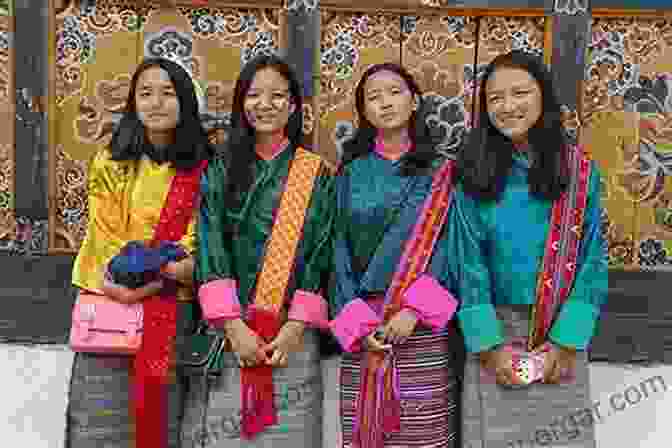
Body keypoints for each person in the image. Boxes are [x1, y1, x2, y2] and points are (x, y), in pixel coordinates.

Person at [448, 50, 608, 448]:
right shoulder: (470, 173)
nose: (508, 106)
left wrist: (566, 341)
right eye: (495, 98)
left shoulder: (579, 172)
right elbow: (467, 260)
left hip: (560, 336)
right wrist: (488, 344)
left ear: (544, 97)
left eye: (520, 92)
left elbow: (592, 259)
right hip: (494, 338)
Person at [181, 53, 334, 447]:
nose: (265, 105)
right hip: (233, 336)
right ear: (241, 103)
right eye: (254, 95)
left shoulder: (315, 172)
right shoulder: (221, 166)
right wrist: (234, 327)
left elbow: (321, 251)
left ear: (295, 105)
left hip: (290, 340)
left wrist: (295, 328)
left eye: (278, 96)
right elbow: (210, 242)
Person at [67, 57, 213, 448]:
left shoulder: (205, 167)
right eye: (145, 93)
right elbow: (105, 234)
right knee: (100, 420)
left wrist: (159, 272)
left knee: (164, 416)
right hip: (113, 304)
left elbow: (199, 238)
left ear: (185, 101)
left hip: (171, 306)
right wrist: (147, 271)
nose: (156, 102)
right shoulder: (111, 162)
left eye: (168, 93)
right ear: (133, 102)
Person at [329, 63, 462, 448]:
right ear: (364, 111)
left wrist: (414, 309)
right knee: (365, 433)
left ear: (414, 100)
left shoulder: (442, 172)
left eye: (394, 92)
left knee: (422, 434)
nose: (385, 102)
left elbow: (450, 247)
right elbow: (337, 248)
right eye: (373, 97)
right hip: (365, 329)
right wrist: (356, 320)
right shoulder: (350, 174)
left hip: (419, 329)